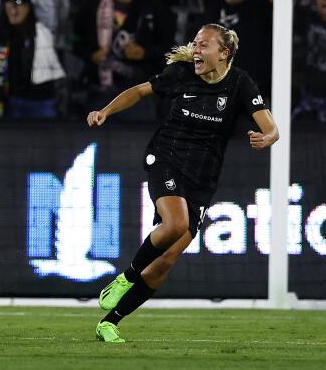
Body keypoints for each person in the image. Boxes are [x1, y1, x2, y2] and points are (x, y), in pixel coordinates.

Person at [87, 24, 278, 343]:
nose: (197, 50)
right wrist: (106, 111)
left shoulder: (240, 83)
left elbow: (271, 127)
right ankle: (126, 278)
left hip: (202, 178)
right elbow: (138, 91)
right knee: (176, 224)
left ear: (224, 54)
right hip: (165, 158)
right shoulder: (182, 73)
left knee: (166, 261)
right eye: (195, 43)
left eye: (204, 45)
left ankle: (110, 322)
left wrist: (267, 138)